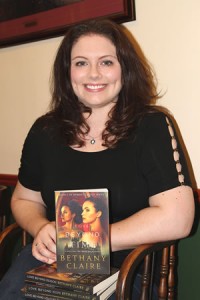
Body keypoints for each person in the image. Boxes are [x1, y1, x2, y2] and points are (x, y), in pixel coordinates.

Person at [0, 18, 194, 299]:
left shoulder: (152, 125)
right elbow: (23, 199)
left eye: (106, 62)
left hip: (126, 272)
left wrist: (87, 243)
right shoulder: (45, 130)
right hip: (49, 265)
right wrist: (40, 227)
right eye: (81, 63)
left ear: (124, 69)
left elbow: (177, 218)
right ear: (67, 72)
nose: (93, 74)